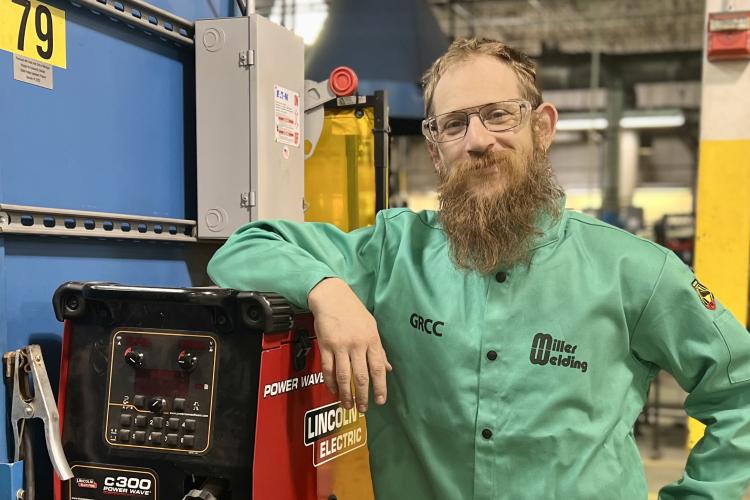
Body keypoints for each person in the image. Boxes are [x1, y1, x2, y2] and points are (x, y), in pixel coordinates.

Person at [208, 38, 750, 499]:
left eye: (498, 115)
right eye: (454, 125)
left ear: (542, 126)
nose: (478, 140)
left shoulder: (633, 271)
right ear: (436, 148)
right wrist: (326, 289)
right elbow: (244, 248)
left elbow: (739, 389)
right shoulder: (394, 253)